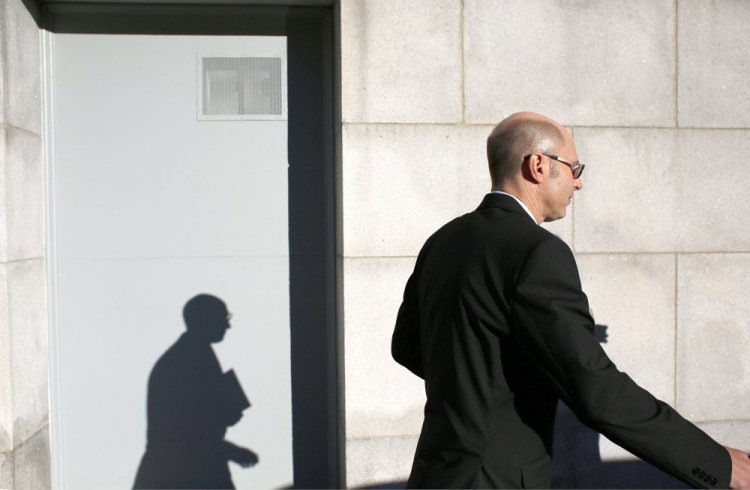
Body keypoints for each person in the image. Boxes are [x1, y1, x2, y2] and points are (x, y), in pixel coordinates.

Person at [391, 112, 750, 489]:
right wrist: (717, 464)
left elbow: (406, 347)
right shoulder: (537, 252)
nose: (578, 182)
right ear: (538, 165)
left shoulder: (443, 241)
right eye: (574, 167)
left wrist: (478, 385)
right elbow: (595, 388)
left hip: (434, 474)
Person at [133, 294, 258, 489]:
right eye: (224, 319)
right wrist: (231, 448)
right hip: (184, 472)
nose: (228, 326)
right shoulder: (187, 360)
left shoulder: (190, 355)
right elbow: (188, 430)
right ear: (206, 320)